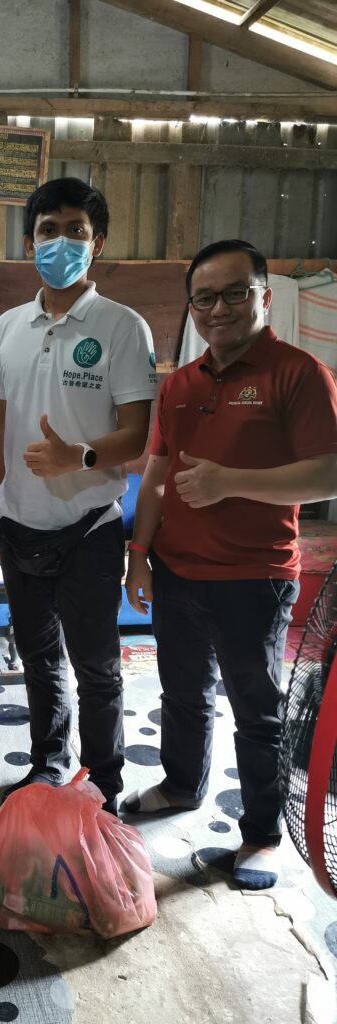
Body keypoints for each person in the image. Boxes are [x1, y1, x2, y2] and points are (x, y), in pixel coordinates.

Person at [123, 238, 337, 889]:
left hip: (254, 578)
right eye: (205, 298)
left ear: (264, 296)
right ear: (192, 308)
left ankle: (262, 834)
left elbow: (328, 473)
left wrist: (230, 482)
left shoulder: (298, 374)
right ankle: (181, 784)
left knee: (256, 710)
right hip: (177, 572)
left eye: (235, 293)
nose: (219, 308)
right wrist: (139, 554)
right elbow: (156, 473)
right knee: (183, 694)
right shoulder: (180, 384)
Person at [0, 177, 157, 812]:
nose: (60, 242)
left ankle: (104, 784)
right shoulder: (7, 326)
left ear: (97, 243)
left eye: (75, 231)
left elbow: (136, 435)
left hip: (88, 526)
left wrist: (77, 456)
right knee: (38, 660)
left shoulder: (122, 326)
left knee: (97, 668)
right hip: (17, 526)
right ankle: (47, 765)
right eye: (48, 230)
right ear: (29, 242)